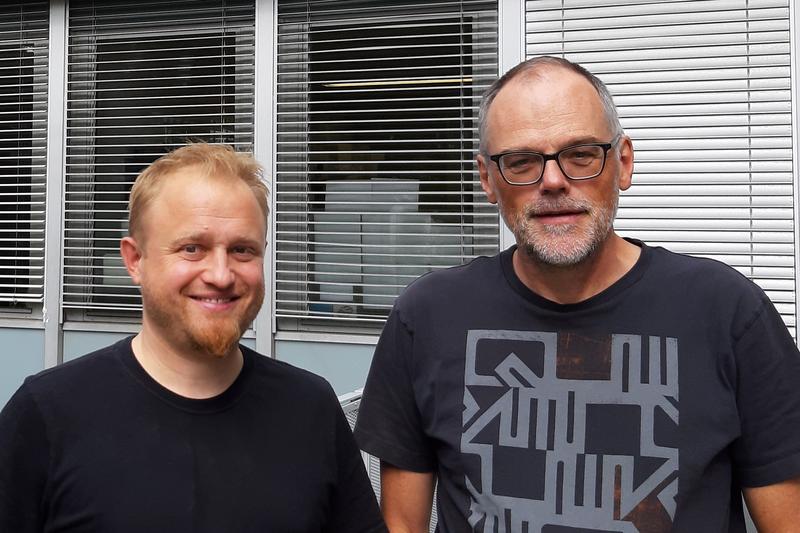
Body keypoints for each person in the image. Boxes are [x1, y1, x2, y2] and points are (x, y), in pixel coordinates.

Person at [354, 56, 800, 532]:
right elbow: (402, 523)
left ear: (623, 163)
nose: (552, 181)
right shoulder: (426, 317)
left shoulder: (729, 313)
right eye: (521, 161)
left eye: (581, 154)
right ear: (486, 179)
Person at [0, 144, 386, 533]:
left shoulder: (310, 409)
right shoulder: (47, 414)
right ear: (135, 260)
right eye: (192, 248)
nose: (220, 274)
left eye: (242, 250)